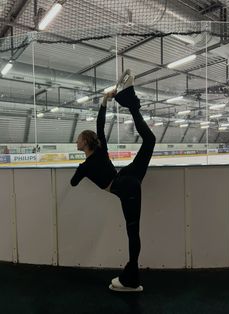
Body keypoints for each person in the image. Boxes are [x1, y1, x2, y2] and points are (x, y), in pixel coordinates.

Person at [70, 70, 156, 292]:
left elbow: (73, 183)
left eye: (78, 139)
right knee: (150, 141)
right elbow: (100, 126)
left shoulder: (84, 166)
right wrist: (103, 102)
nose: (76, 142)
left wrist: (81, 171)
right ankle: (131, 103)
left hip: (123, 186)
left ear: (85, 142)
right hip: (125, 176)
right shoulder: (100, 150)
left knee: (132, 231)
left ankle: (131, 279)